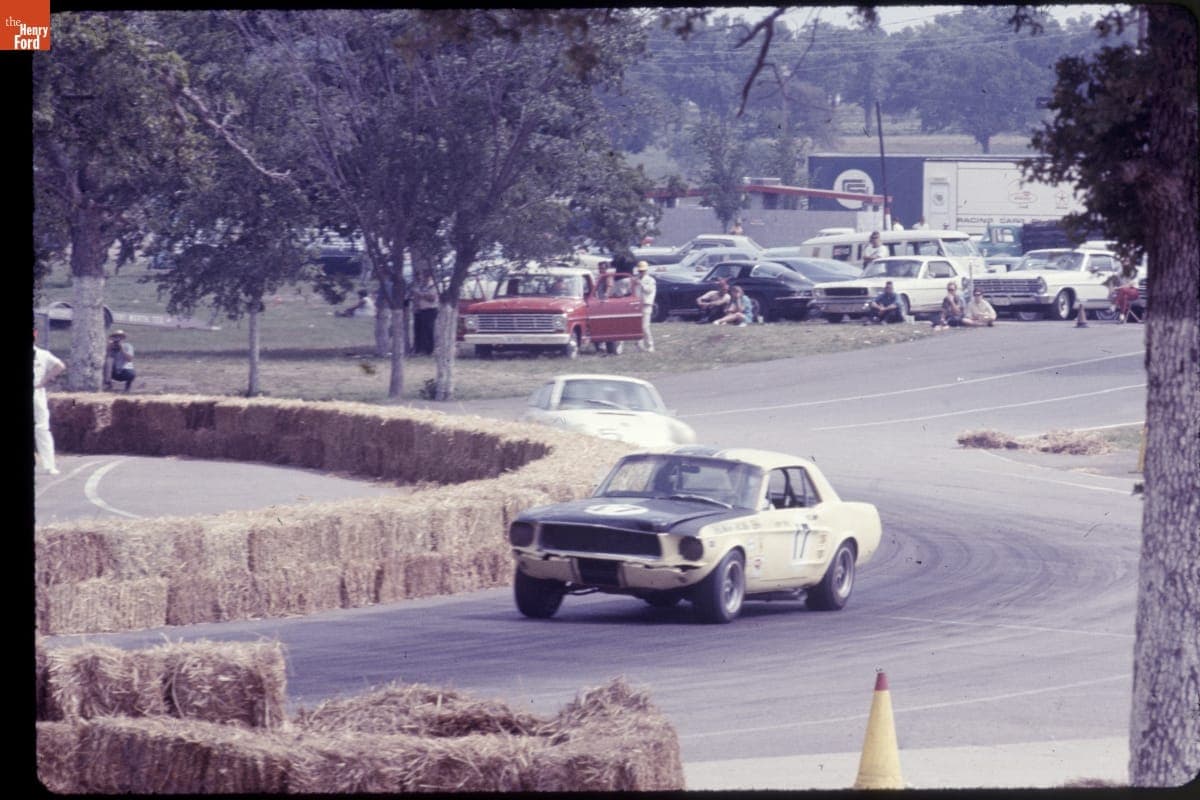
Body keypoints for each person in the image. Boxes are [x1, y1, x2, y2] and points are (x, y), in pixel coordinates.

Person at [33, 324, 66, 475]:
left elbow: (60, 366)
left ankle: (49, 465)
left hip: (36, 393)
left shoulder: (43, 354)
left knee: (42, 428)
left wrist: (43, 381)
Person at [412, 273, 439, 355]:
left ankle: (429, 350)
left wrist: (421, 294)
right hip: (422, 310)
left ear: (429, 277)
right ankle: (420, 349)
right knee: (421, 331)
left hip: (430, 310)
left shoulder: (432, 286)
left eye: (424, 277)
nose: (422, 279)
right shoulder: (422, 286)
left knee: (429, 330)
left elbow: (432, 298)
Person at [634, 261, 656, 352]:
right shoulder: (636, 279)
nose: (641, 272)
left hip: (647, 305)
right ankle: (640, 346)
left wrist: (640, 283)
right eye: (640, 271)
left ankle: (650, 345)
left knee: (645, 326)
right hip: (637, 305)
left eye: (643, 271)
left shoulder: (651, 280)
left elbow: (649, 290)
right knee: (637, 326)